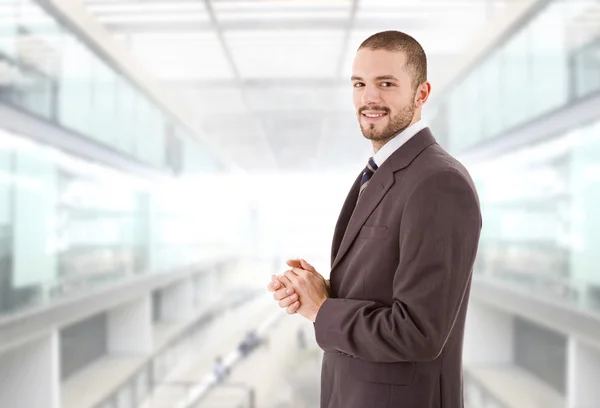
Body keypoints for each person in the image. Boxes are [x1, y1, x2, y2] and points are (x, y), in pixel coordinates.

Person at [267, 30, 482, 408]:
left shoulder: (438, 183)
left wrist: (323, 309)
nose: (369, 98)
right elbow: (382, 290)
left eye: (386, 83)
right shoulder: (383, 171)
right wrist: (323, 291)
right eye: (359, 84)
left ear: (422, 94)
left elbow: (418, 332)